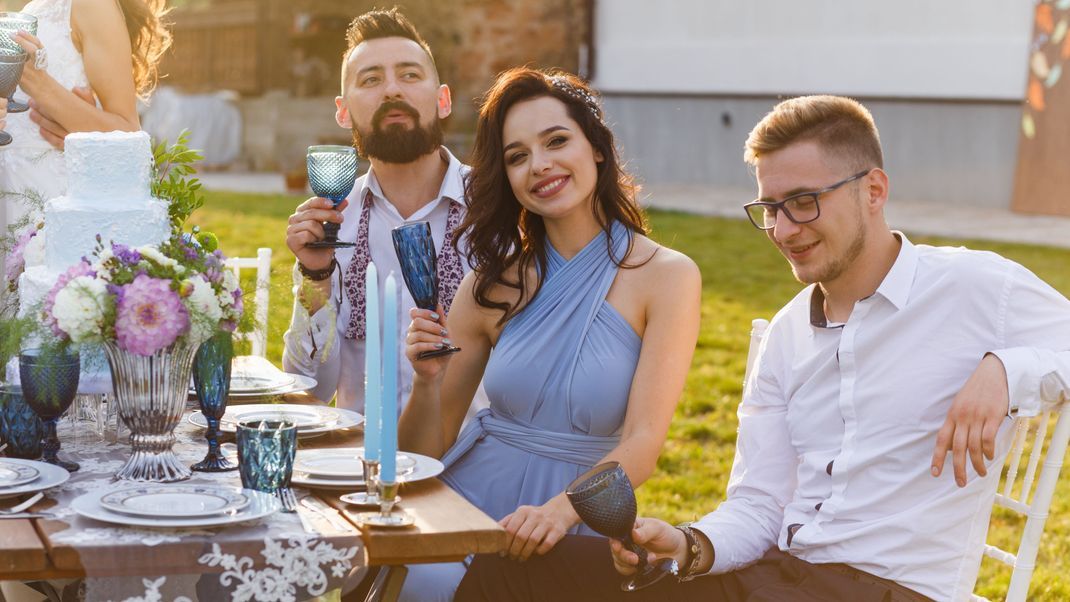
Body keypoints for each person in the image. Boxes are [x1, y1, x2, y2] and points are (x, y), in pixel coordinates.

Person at [453, 95, 1070, 602]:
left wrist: (1004, 370)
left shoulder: (972, 286)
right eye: (770, 209)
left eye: (804, 203)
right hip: (778, 577)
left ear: (873, 190)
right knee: (510, 575)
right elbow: (759, 503)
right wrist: (689, 544)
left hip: (895, 588)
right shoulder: (787, 336)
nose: (783, 230)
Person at [397, 67, 702, 600]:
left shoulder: (668, 277)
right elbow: (417, 457)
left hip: (578, 521)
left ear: (598, 149)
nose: (540, 165)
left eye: (556, 141)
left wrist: (559, 513)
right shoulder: (491, 283)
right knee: (415, 581)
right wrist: (425, 382)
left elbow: (644, 443)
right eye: (517, 156)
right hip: (465, 503)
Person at [283, 8, 488, 416]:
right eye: (371, 79)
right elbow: (309, 394)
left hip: (474, 465)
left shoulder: (496, 212)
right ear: (343, 112)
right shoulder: (331, 225)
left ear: (442, 99)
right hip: (360, 465)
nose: (392, 90)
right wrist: (315, 278)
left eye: (410, 75)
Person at [0, 0, 170, 234]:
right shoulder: (33, 8)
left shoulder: (92, 4)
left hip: (52, 205)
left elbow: (128, 135)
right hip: (10, 195)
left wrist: (38, 84)